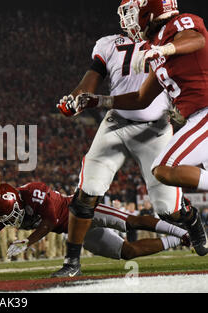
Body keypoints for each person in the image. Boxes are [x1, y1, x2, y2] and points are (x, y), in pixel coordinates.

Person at [54, 0, 206, 277]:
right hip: (115, 122)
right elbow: (96, 81)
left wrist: (165, 48)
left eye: (131, 13)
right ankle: (72, 261)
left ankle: (192, 220)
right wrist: (80, 100)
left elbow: (193, 41)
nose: (127, 20)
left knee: (168, 210)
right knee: (85, 195)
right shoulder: (112, 44)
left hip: (156, 128)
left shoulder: (166, 38)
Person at [0, 182, 190, 273]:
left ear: (18, 201)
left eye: (13, 214)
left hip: (84, 212)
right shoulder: (7, 211)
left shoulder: (34, 192)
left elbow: (49, 222)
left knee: (130, 221)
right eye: (7, 218)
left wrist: (28, 242)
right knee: (128, 252)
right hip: (78, 233)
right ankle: (180, 240)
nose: (12, 221)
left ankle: (181, 231)